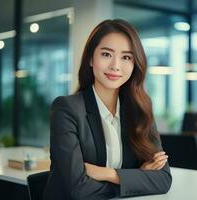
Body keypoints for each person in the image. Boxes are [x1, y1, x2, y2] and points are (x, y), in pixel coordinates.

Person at [43, 19, 172, 200]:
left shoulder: (139, 109)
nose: (115, 66)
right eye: (106, 54)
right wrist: (133, 179)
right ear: (90, 58)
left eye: (126, 57)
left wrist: (108, 174)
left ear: (135, 64)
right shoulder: (66, 109)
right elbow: (77, 189)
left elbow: (163, 179)